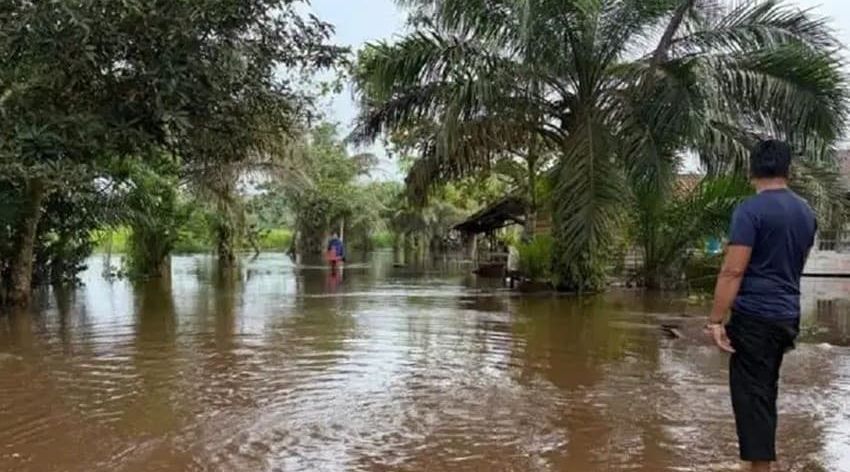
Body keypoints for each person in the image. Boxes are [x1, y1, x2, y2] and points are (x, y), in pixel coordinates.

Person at [705, 140, 816, 472]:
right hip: (787, 316)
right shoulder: (805, 212)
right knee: (765, 391)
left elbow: (734, 269)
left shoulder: (750, 210)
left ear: (751, 170)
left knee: (752, 397)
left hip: (754, 318)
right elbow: (795, 263)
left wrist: (715, 319)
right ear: (788, 171)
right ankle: (761, 463)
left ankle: (760, 468)